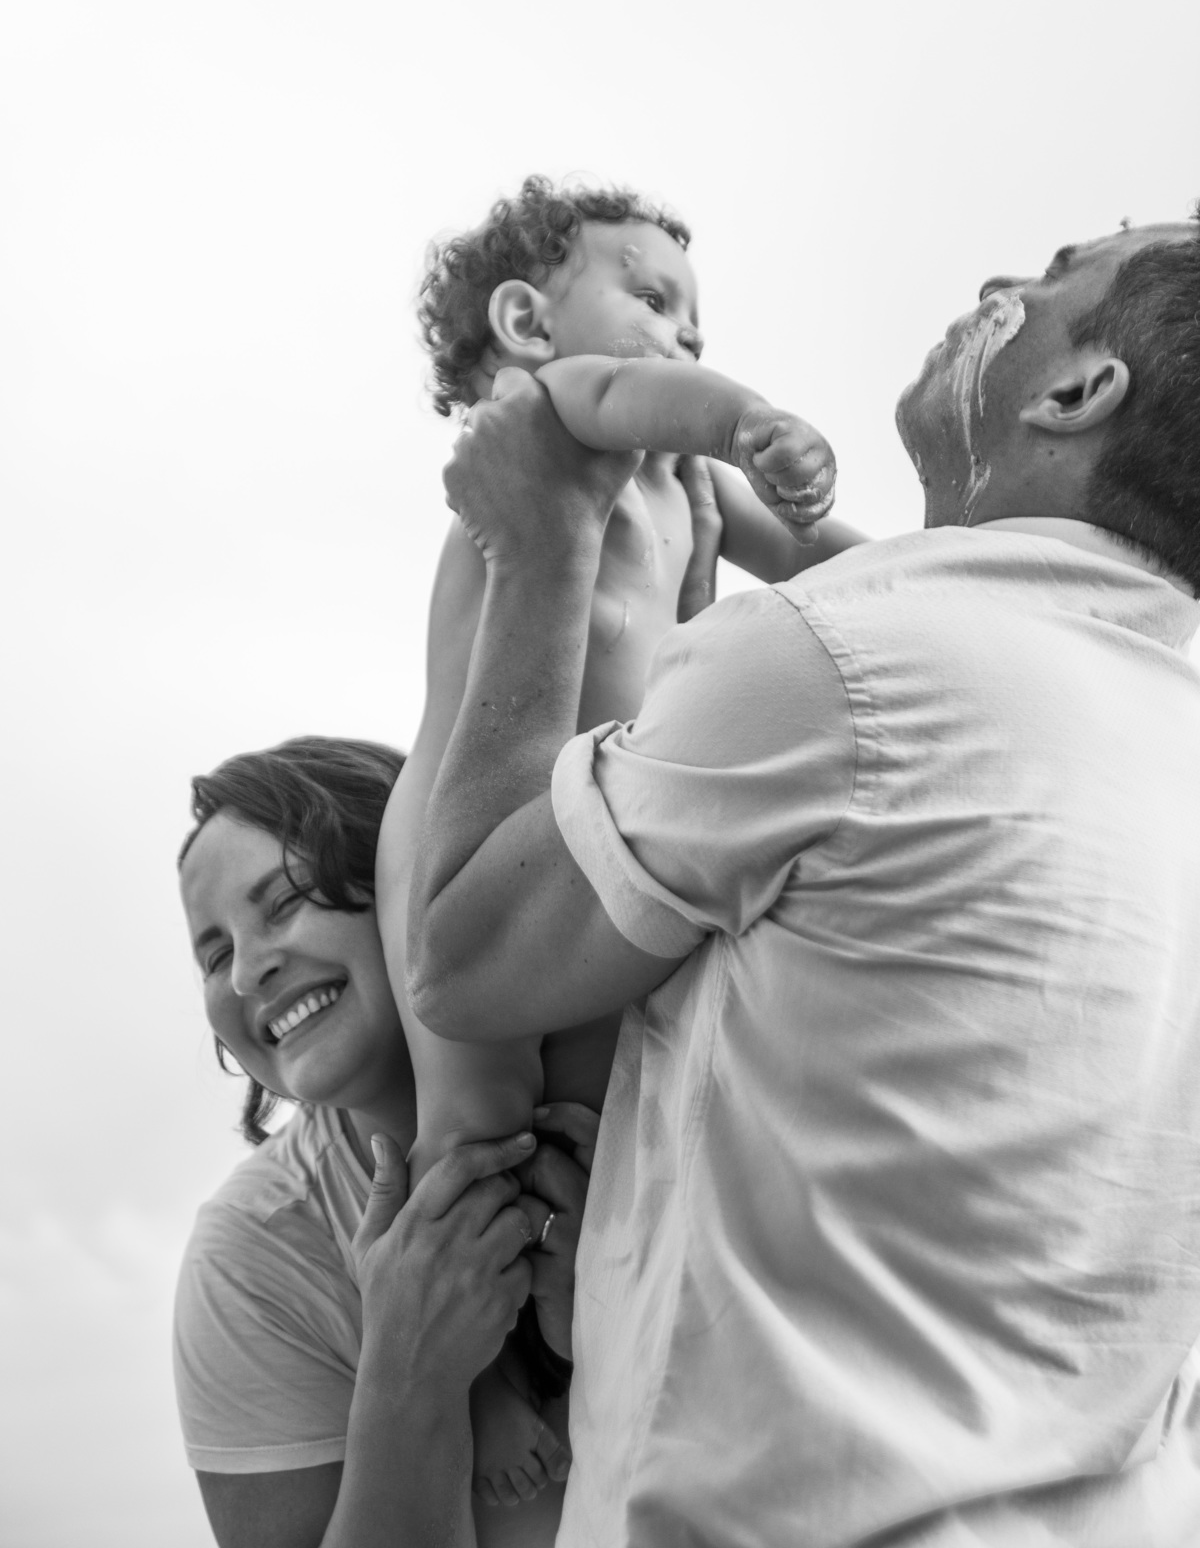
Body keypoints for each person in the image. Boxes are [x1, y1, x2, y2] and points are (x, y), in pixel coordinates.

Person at [407, 219, 1200, 1545]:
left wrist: (545, 544)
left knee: (469, 1135)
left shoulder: (845, 662)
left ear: (1077, 394)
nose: (995, 280)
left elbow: (465, 962)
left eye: (1048, 281)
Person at [378, 174, 863, 1186]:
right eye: (652, 302)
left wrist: (948, 574)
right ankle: (440, 1263)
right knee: (477, 1115)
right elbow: (634, 394)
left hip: (586, 824)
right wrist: (749, 421)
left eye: (696, 325)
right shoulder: (555, 407)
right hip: (455, 816)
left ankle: (565, 1292)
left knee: (593, 1101)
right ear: (527, 320)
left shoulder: (684, 482)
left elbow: (823, 559)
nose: (687, 343)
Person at [173, 735, 596, 1547]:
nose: (246, 972)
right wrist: (411, 1376)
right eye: (217, 952)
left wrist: (618, 1297)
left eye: (285, 900)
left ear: (411, 875)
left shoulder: (632, 1056)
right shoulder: (256, 1254)